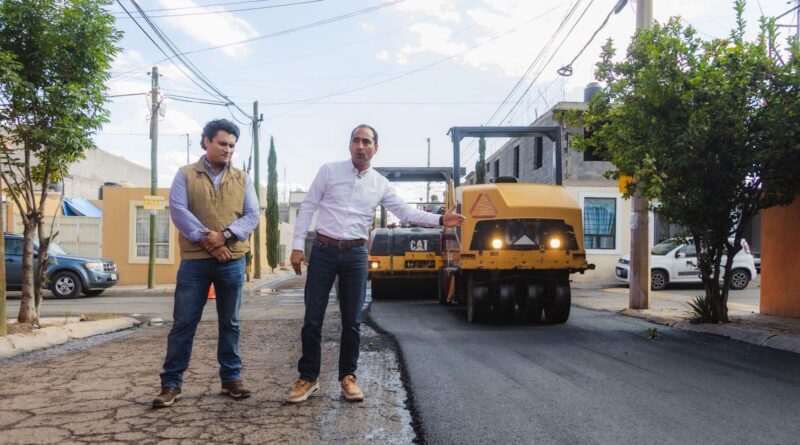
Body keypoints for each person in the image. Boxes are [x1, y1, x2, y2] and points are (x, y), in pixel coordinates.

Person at [286, 124, 466, 404]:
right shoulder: (329, 171)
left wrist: (441, 220)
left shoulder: (379, 183)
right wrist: (297, 246)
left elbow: (405, 212)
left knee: (352, 321)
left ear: (375, 148)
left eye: (366, 142)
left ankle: (348, 377)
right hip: (323, 250)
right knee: (313, 319)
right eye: (356, 141)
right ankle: (308, 378)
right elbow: (308, 206)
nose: (361, 146)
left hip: (356, 255)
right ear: (349, 145)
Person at [152, 119, 260, 408]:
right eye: (222, 143)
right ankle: (171, 384)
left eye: (232, 146)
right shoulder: (185, 175)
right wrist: (209, 243)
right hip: (195, 263)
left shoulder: (242, 178)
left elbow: (252, 216)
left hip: (232, 261)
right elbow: (178, 211)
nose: (228, 150)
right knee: (184, 323)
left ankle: (231, 379)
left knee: (231, 323)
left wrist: (223, 236)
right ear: (207, 142)